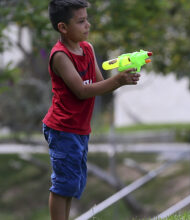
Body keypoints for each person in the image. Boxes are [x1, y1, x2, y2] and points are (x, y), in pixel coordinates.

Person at [42, 0, 140, 219]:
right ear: (63, 28)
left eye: (87, 19)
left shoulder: (87, 48)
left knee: (72, 183)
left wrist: (122, 71)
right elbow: (81, 91)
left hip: (79, 129)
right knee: (63, 185)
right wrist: (119, 81)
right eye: (81, 21)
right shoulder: (60, 56)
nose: (88, 25)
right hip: (62, 128)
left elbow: (98, 84)